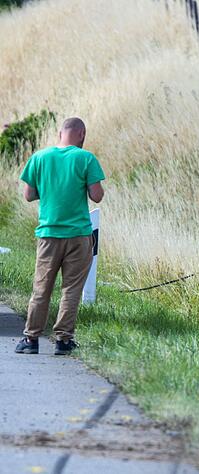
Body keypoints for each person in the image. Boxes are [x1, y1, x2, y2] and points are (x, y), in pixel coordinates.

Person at [14, 117, 105, 356]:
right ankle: (63, 340)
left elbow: (29, 195)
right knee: (71, 289)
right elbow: (97, 196)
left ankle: (31, 338)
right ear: (82, 134)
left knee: (42, 287)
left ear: (59, 133)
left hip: (48, 233)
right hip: (78, 235)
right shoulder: (86, 158)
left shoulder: (39, 158)